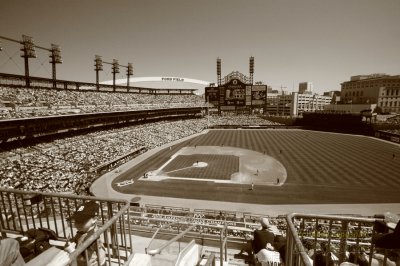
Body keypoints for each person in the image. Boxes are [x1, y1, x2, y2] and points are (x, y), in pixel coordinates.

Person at [65, 201, 105, 266]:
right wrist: (72, 242)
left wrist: (71, 251)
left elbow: (84, 259)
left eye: (82, 221)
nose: (77, 224)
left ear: (94, 219)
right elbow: (78, 239)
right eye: (76, 220)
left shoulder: (91, 238)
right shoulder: (84, 230)